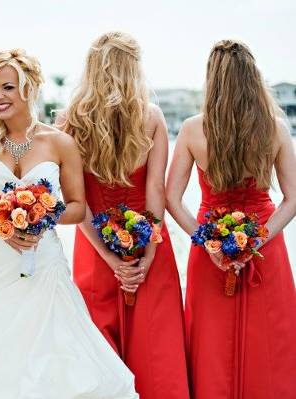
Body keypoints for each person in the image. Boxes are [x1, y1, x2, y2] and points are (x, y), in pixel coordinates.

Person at [0, 49, 138, 399]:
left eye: (8, 87)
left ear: (30, 88)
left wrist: (41, 217)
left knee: (52, 349)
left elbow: (77, 207)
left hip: (44, 262)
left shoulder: (60, 143)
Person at [59, 32, 189, 399]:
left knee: (101, 349)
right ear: (134, 69)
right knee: (156, 349)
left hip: (94, 250)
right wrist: (146, 256)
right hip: (150, 249)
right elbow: (156, 194)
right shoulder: (151, 117)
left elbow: (76, 201)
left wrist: (109, 259)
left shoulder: (71, 121)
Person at [166, 39, 296, 398]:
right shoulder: (276, 128)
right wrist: (257, 239)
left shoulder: (193, 129)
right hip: (265, 246)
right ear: (254, 78)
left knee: (212, 339)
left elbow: (171, 199)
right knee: (270, 336)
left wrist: (208, 241)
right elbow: (292, 198)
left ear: (213, 80)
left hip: (211, 248)